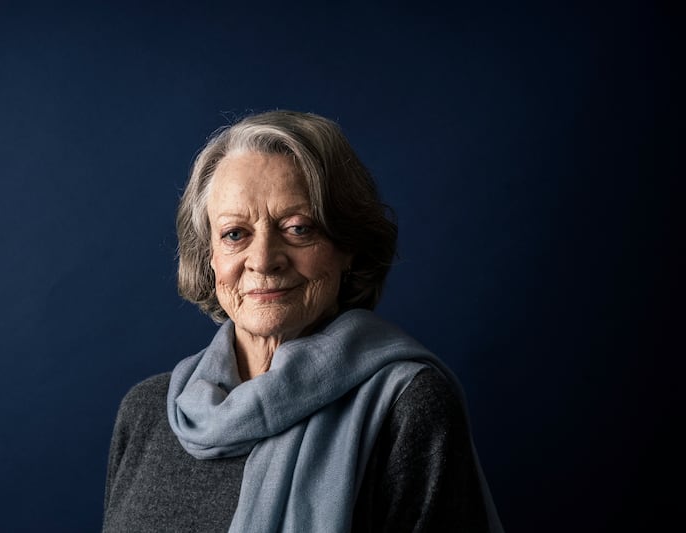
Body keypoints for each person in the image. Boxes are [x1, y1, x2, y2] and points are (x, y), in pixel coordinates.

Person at [102, 110, 503, 532]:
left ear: (348, 246)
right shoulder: (147, 411)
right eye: (235, 234)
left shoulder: (408, 408)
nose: (263, 261)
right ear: (209, 257)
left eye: (297, 228)